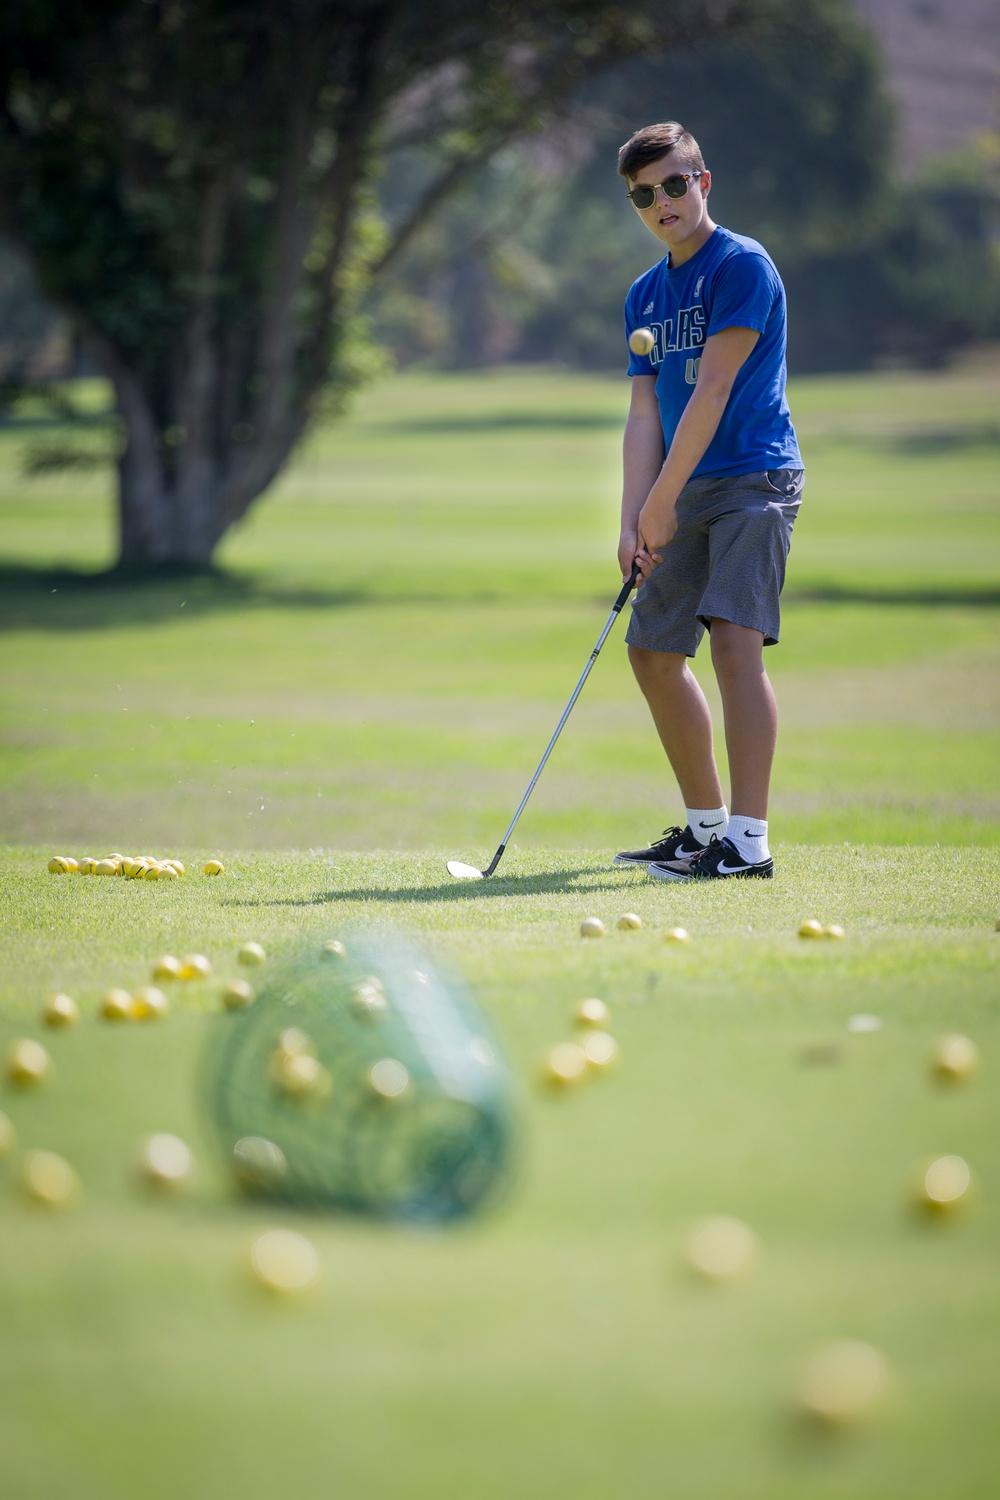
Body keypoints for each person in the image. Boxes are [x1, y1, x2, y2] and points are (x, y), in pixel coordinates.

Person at [612, 120, 804, 883]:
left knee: (734, 645)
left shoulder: (742, 266)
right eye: (642, 195)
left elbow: (715, 390)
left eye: (673, 184)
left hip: (754, 479)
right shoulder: (643, 295)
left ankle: (748, 844)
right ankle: (704, 830)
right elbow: (645, 414)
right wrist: (635, 517)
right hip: (677, 486)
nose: (661, 202)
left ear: (703, 182)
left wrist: (662, 504)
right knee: (653, 654)